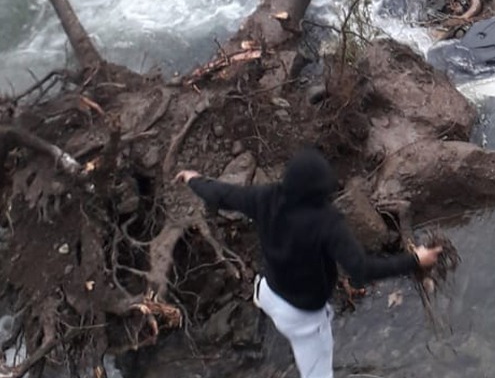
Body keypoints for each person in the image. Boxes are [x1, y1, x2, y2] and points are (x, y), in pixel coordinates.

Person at [176, 147, 442, 378]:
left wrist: (194, 180)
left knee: (268, 291)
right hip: (303, 319)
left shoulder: (266, 197)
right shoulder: (327, 222)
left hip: (270, 292)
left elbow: (222, 194)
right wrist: (415, 260)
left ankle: (262, 297)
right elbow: (361, 270)